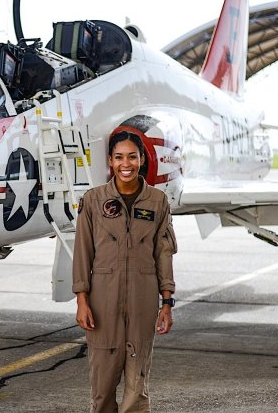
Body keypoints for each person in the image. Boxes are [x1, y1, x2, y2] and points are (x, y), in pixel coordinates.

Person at [73, 130, 177, 413]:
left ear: (142, 160)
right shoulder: (93, 201)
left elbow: (163, 253)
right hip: (103, 303)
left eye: (132, 156)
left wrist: (166, 303)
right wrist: (82, 300)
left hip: (143, 301)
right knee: (102, 388)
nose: (125, 163)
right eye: (119, 157)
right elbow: (83, 253)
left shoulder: (157, 202)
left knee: (136, 387)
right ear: (110, 161)